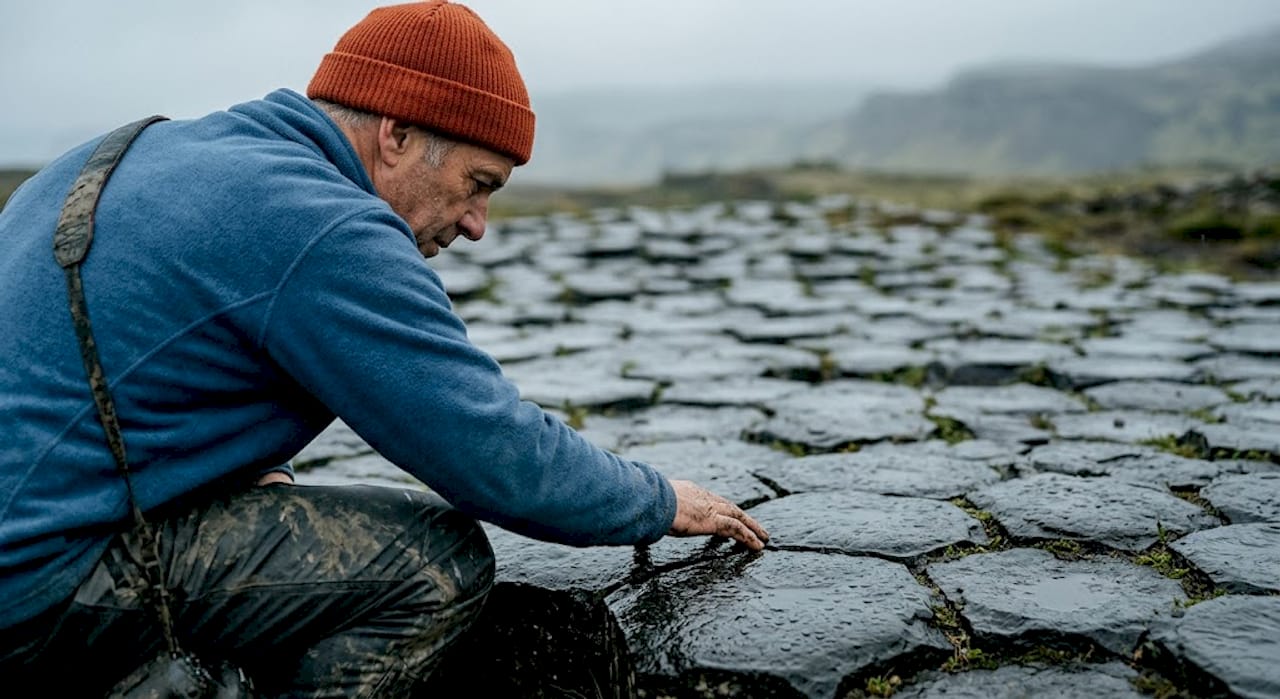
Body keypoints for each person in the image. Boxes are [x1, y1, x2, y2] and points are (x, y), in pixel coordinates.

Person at [0, 1, 769, 695]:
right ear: (396, 134)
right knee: (436, 562)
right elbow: (493, 454)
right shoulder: (325, 224)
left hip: (31, 534)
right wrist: (659, 499)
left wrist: (249, 468)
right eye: (477, 182)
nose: (476, 223)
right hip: (34, 583)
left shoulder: (126, 151)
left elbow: (133, 372)